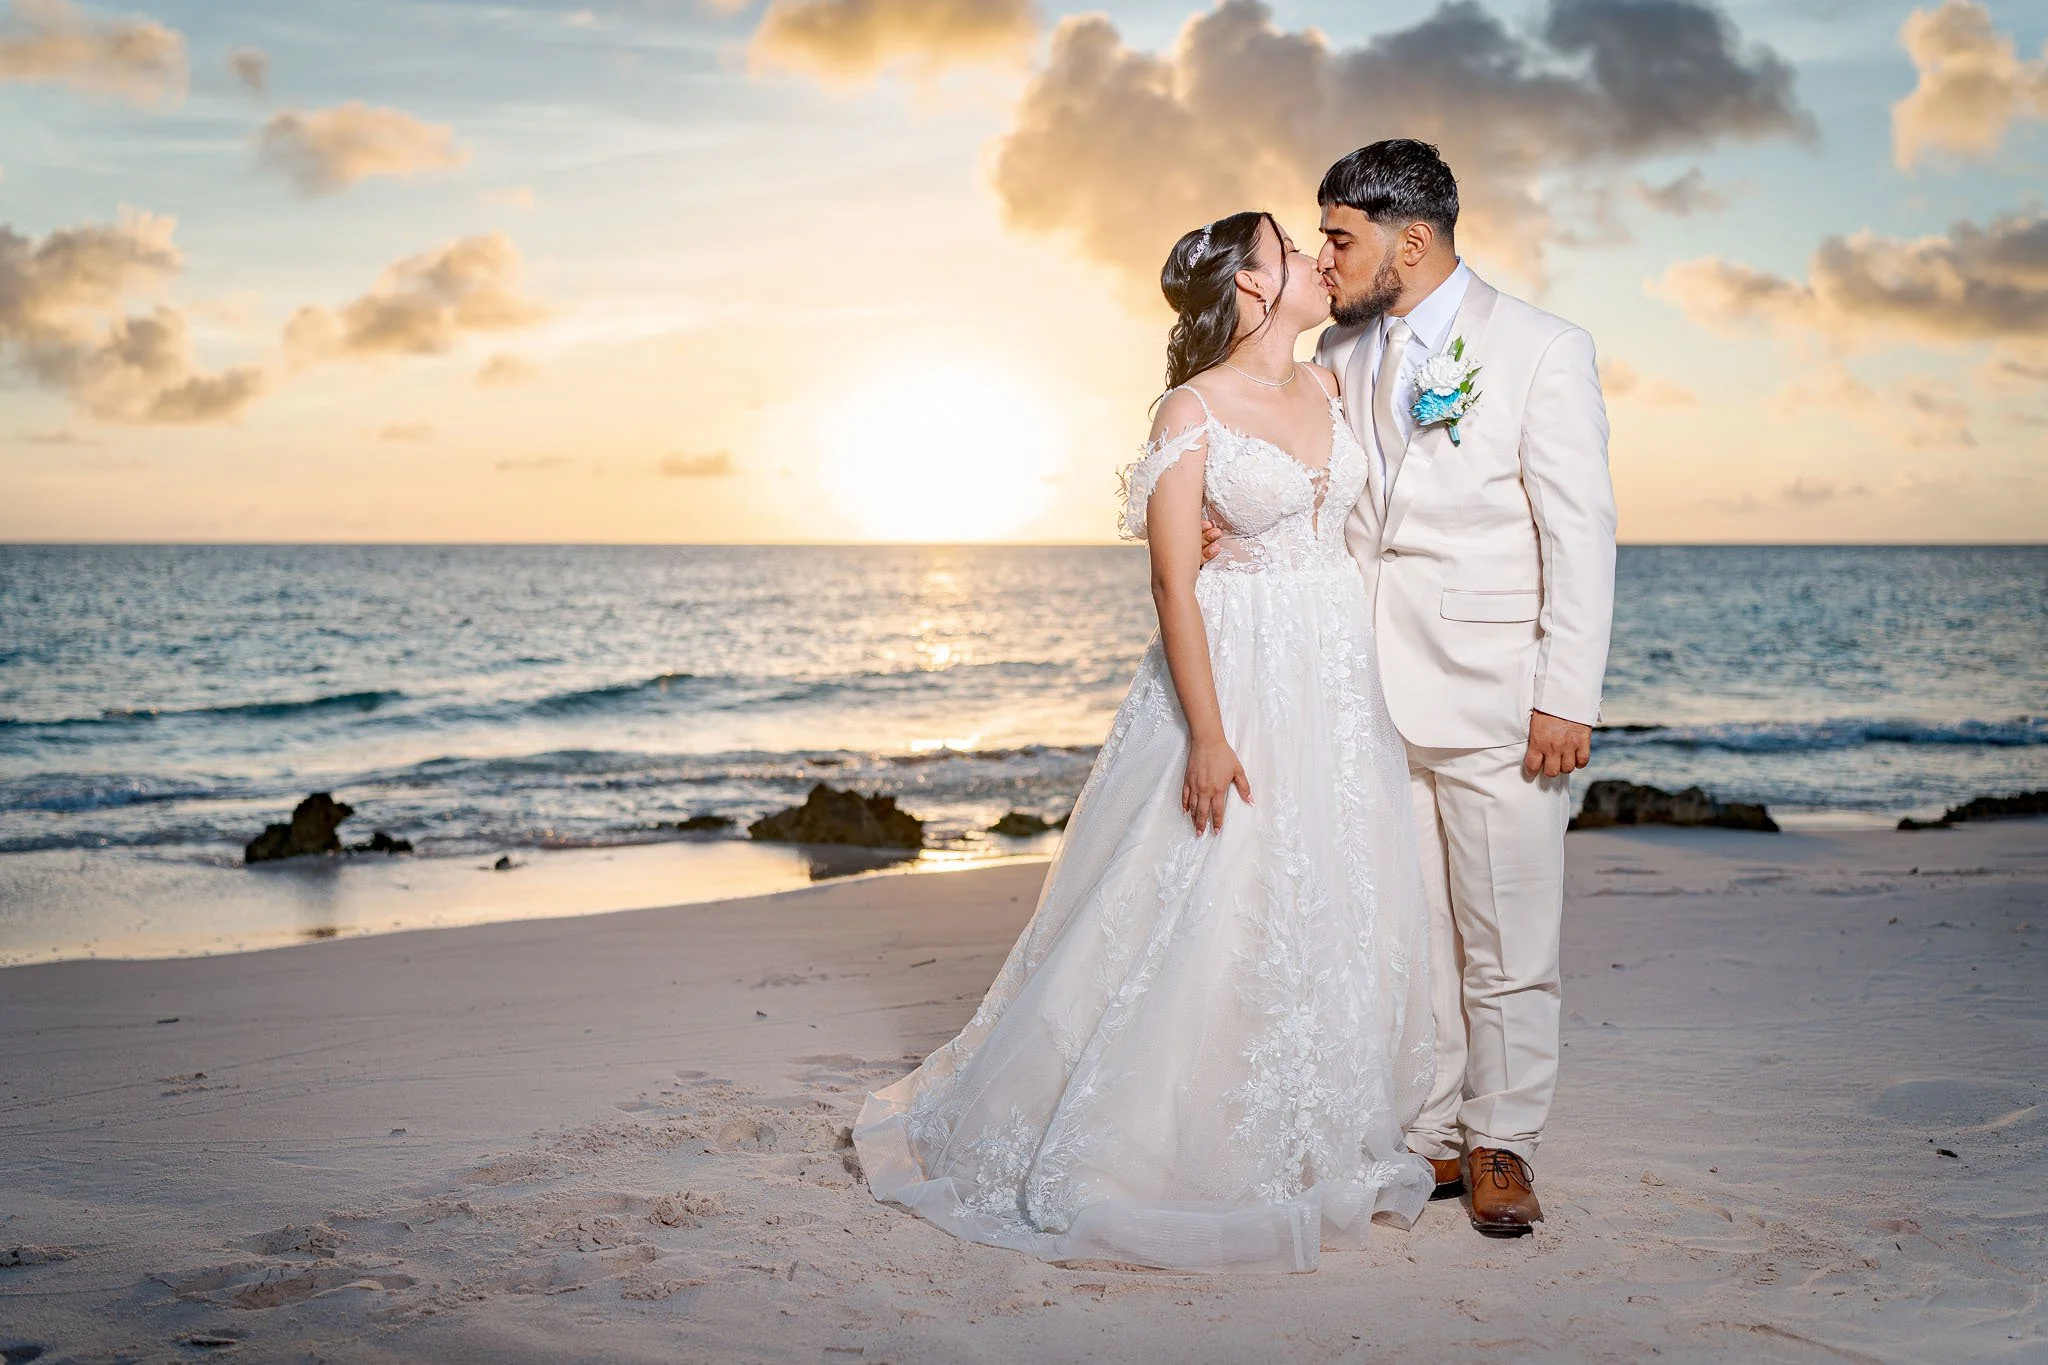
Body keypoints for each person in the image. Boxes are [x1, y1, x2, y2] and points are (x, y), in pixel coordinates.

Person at [851, 210, 1437, 1273]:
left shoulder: (1335, 384)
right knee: (1208, 891)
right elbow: (1172, 578)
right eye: (1290, 252)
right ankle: (1162, 1135)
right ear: (1252, 291)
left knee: (1322, 886)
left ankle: (1307, 1128)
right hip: (1237, 668)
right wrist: (1206, 738)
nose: (1313, 261)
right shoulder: (1190, 407)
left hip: (1335, 675)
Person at [1208, 139, 1616, 1237]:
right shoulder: (1338, 351)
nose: (1324, 257)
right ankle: (1435, 1131)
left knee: (1507, 941)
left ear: (1413, 239)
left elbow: (1577, 532)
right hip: (1365, 699)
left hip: (1496, 694)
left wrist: (1564, 694)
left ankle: (1503, 1144)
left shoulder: (1538, 349)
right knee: (1416, 936)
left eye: (1338, 238)